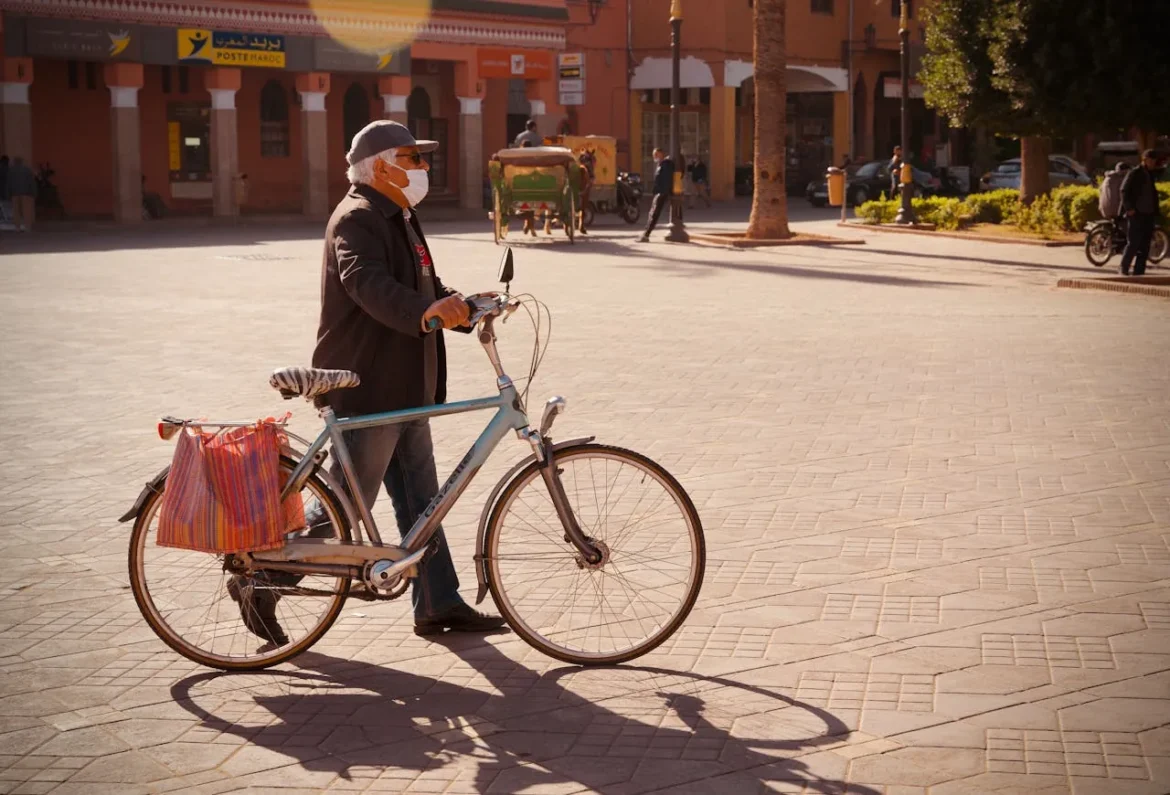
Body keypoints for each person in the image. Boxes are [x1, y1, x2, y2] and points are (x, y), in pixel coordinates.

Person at [229, 121, 506, 646]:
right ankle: (264, 576)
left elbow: (422, 285)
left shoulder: (398, 213)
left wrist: (462, 307)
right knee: (349, 503)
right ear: (381, 165)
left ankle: (438, 601)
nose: (423, 168)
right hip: (371, 383)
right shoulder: (356, 218)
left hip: (407, 383)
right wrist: (426, 311)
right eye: (413, 158)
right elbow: (367, 284)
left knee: (423, 500)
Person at [1118, 149, 1162, 277]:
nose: (1153, 163)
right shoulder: (1135, 172)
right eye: (1150, 160)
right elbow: (1123, 190)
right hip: (1136, 213)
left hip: (1149, 213)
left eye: (1154, 160)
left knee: (1145, 244)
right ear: (1144, 160)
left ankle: (1139, 271)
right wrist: (1129, 208)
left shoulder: (1150, 174)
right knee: (1133, 242)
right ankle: (1123, 267)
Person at [638, 147, 674, 242]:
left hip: (661, 192)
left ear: (661, 154)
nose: (654, 157)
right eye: (654, 155)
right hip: (659, 192)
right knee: (652, 213)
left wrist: (662, 193)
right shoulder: (661, 165)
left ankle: (646, 234)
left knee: (654, 214)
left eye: (656, 154)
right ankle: (646, 233)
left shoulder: (665, 165)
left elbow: (666, 180)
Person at [6, 156, 36, 232]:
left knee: (16, 211)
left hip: (14, 193)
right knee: (26, 211)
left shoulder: (10, 170)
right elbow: (31, 182)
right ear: (22, 162)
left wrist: (8, 193)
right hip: (25, 193)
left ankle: (17, 227)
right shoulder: (27, 170)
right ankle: (27, 227)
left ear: (14, 162)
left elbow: (8, 183)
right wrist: (33, 192)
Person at [0, 155, 10, 229]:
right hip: (4, 189)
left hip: (3, 188)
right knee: (4, 204)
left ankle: (3, 217)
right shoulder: (7, 168)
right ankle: (4, 218)